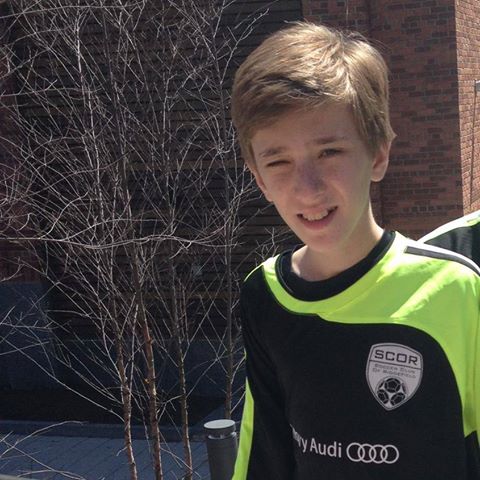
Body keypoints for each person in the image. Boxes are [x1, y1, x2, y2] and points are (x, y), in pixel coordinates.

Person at [230, 22, 480, 480]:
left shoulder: (456, 289)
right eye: (279, 161)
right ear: (259, 177)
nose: (307, 188)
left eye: (329, 152)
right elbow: (263, 447)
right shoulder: (264, 293)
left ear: (378, 154)